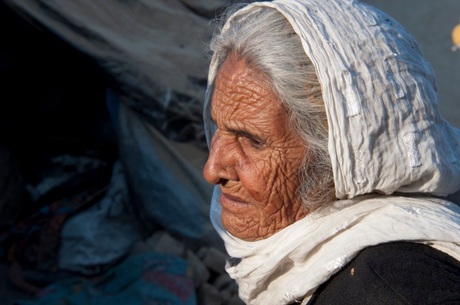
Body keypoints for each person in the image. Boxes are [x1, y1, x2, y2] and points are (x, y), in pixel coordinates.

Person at [201, 0, 460, 304]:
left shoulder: (390, 290)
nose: (212, 169)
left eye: (251, 140)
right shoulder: (313, 267)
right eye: (219, 127)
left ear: (343, 158)